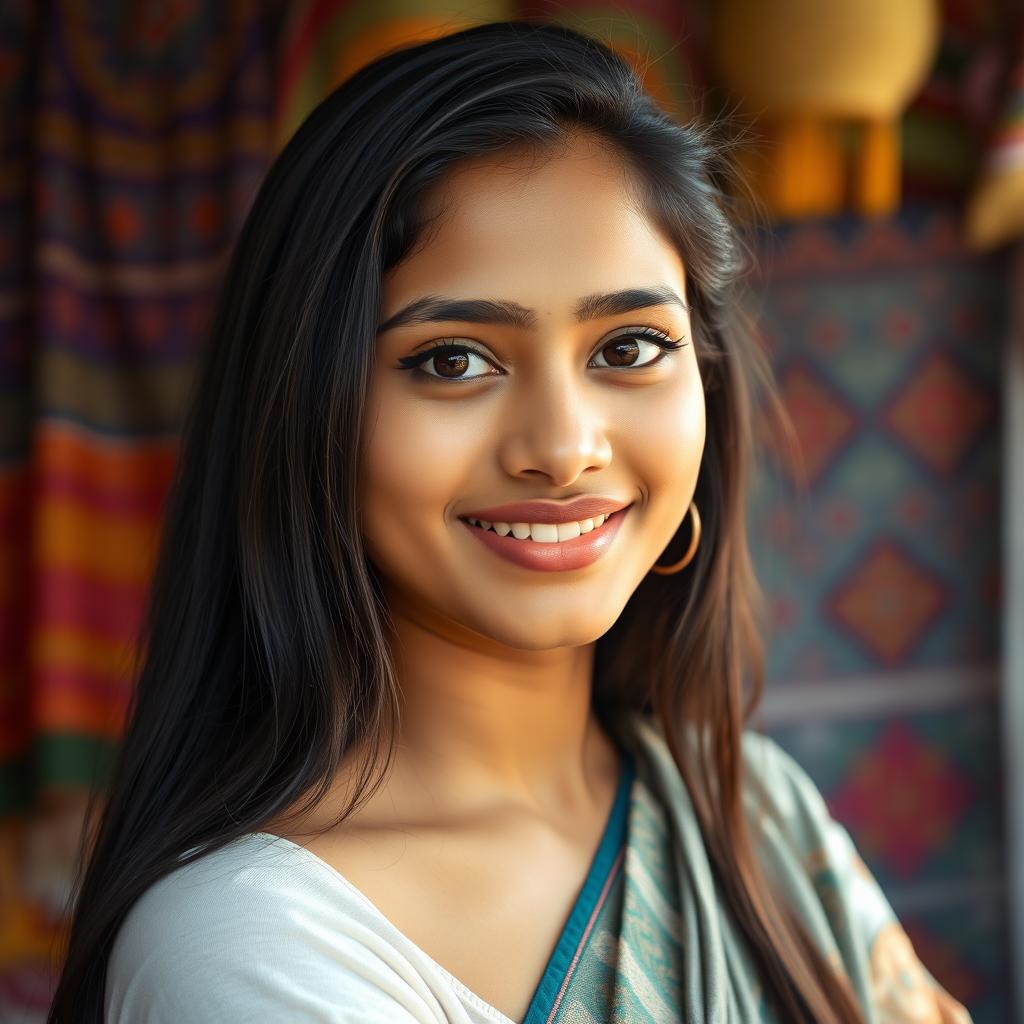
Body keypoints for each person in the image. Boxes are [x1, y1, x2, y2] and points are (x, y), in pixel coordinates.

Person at [47, 20, 972, 1024]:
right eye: (454, 359)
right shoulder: (250, 944)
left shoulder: (749, 810)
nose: (563, 446)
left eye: (626, 347)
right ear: (305, 410)